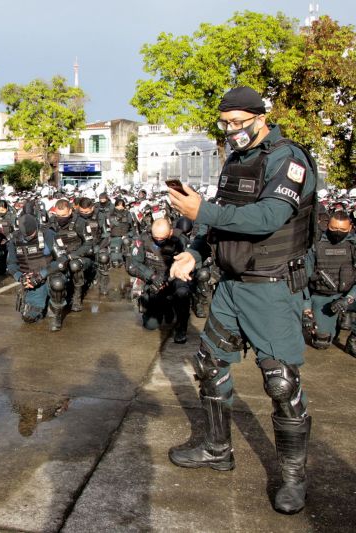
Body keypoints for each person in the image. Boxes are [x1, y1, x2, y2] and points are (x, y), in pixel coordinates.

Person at [168, 86, 317, 514]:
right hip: (231, 284)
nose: (231, 130)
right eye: (225, 123)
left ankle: (293, 478)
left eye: (238, 122)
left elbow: (269, 216)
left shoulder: (287, 158)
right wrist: (194, 252)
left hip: (270, 287)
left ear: (258, 117)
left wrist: (204, 213)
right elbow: (219, 219)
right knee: (210, 365)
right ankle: (217, 450)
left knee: (281, 382)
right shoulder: (236, 161)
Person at [128, 218, 190, 343]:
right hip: (153, 280)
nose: (159, 241)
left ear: (170, 232)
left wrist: (168, 279)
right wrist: (152, 277)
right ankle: (158, 307)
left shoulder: (180, 240)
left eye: (163, 238)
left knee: (182, 292)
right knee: (151, 325)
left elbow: (187, 265)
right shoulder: (143, 239)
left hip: (173, 277)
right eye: (156, 238)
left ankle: (181, 328)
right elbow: (132, 264)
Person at [305, 210, 356, 355]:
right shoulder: (315, 244)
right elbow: (304, 280)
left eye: (342, 230)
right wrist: (306, 308)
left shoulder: (353, 244)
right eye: (334, 228)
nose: (338, 232)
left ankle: (354, 337)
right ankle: (335, 322)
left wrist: (348, 298)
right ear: (328, 225)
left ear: (350, 227)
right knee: (321, 342)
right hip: (323, 297)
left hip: (349, 295)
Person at [6, 214, 68, 331]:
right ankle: (43, 303)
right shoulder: (14, 239)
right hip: (31, 280)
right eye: (26, 235)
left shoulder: (49, 235)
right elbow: (11, 264)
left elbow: (62, 259)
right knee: (28, 317)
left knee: (57, 283)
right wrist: (21, 278)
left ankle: (56, 314)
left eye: (31, 235)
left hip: (50, 275)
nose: (28, 238)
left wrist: (41, 275)